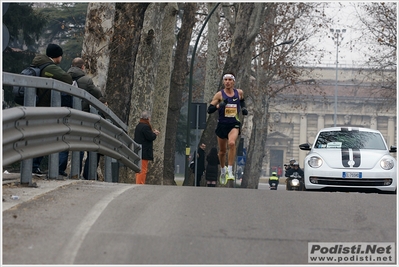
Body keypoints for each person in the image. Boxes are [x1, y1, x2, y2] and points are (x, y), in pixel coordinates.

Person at [31, 43, 73, 175]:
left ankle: (32, 165)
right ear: (57, 56)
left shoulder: (37, 64)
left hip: (33, 105)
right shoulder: (50, 67)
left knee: (37, 137)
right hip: (44, 107)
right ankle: (34, 166)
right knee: (44, 138)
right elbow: (68, 79)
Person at [65, 57, 104, 179]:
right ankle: (85, 174)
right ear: (82, 67)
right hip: (82, 117)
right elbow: (97, 94)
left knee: (64, 144)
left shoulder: (64, 78)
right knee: (84, 145)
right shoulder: (86, 80)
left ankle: (66, 170)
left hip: (66, 115)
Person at [207, 73, 248, 185]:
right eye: (225, 80)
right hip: (222, 125)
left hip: (234, 124)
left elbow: (242, 100)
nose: (228, 82)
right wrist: (219, 105)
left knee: (231, 143)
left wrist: (244, 108)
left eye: (230, 80)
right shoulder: (219, 95)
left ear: (233, 82)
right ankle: (223, 170)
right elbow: (209, 110)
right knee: (222, 151)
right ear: (223, 82)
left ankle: (230, 171)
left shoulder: (238, 92)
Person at [82, 97, 108, 180]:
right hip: (96, 139)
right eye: (106, 105)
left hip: (92, 138)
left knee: (92, 157)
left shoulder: (94, 112)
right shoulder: (99, 114)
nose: (107, 107)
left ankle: (89, 174)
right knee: (94, 157)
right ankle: (88, 174)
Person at [134, 111, 160, 184]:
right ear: (148, 118)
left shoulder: (139, 125)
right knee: (143, 169)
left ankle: (139, 182)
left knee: (139, 169)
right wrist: (154, 134)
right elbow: (150, 137)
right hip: (144, 151)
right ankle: (140, 183)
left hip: (139, 150)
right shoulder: (146, 126)